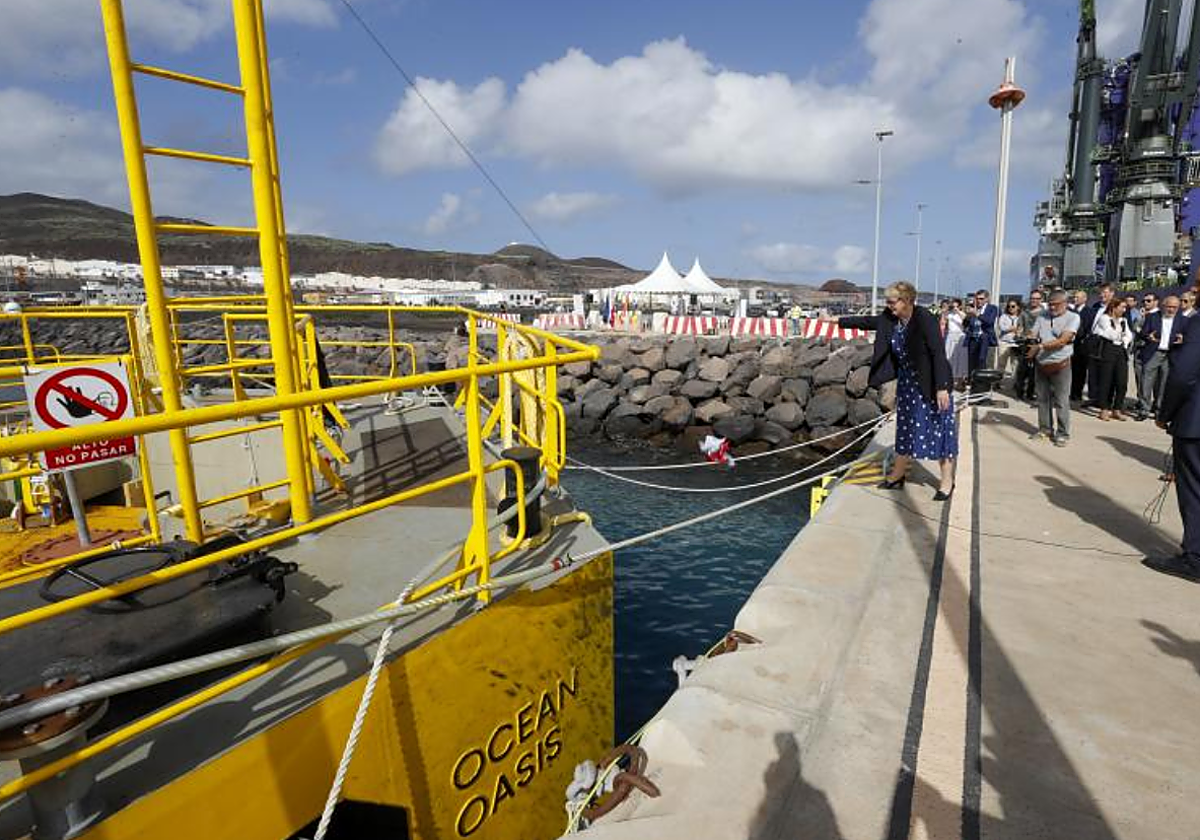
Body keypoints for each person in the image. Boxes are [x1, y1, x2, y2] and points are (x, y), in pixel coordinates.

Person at [839, 281, 956, 500]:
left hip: (931, 383)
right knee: (905, 429)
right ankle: (898, 474)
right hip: (908, 384)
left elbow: (938, 353)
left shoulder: (924, 319)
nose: (889, 306)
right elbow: (869, 321)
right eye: (888, 302)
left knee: (939, 431)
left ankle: (947, 481)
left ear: (908, 301)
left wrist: (942, 388)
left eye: (893, 302)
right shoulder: (891, 318)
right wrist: (839, 321)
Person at [1143, 313, 1200, 582]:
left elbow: (1183, 374)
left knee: (1194, 491)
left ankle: (1195, 558)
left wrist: (1165, 413)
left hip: (1195, 424)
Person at [1029, 289, 1080, 446]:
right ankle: (1045, 429)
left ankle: (1063, 433)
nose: (1051, 308)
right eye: (1050, 305)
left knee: (1061, 401)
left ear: (1065, 304)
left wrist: (1040, 346)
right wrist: (1028, 338)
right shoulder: (1042, 315)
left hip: (1061, 364)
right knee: (1043, 399)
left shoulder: (1073, 317)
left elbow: (1063, 340)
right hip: (1041, 364)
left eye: (1055, 305)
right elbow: (1033, 333)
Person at [1136, 295, 1184, 420]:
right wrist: (1148, 336)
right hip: (1154, 352)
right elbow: (1142, 333)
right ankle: (1144, 409)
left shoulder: (1183, 320)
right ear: (1163, 305)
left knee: (1164, 384)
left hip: (1170, 354)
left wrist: (1182, 340)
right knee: (1146, 381)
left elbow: (1188, 336)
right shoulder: (1152, 317)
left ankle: (1159, 410)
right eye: (1169, 306)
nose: (1171, 309)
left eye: (1174, 307)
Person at [1092, 297, 1134, 420]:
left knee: (1122, 382)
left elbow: (1129, 335)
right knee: (1106, 381)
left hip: (1121, 351)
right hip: (1107, 350)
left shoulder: (1123, 321)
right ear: (1114, 307)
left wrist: (1123, 339)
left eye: (1125, 307)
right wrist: (1121, 336)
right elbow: (1110, 334)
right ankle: (1104, 408)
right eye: (1122, 307)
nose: (1124, 309)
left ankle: (1117, 408)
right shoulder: (1104, 319)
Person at [1071, 282, 1114, 403]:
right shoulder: (1096, 307)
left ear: (1112, 293)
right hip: (1093, 343)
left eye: (1105, 292)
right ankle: (1094, 397)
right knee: (1093, 373)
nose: (1102, 295)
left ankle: (1106, 401)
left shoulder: (1116, 306)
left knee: (1106, 373)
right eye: (1100, 293)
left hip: (1108, 343)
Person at [1015, 289, 1044, 400]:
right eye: (1032, 298)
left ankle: (1031, 393)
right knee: (1022, 370)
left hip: (1039, 344)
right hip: (1025, 344)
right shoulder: (1024, 313)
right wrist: (1019, 334)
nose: (1034, 300)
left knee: (1036, 371)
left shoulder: (1045, 313)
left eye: (1037, 298)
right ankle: (1020, 392)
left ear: (1041, 300)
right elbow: (1019, 328)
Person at [996, 298, 1023, 387]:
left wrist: (1015, 330)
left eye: (1013, 306)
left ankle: (1016, 383)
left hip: (1016, 343)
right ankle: (998, 382)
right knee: (1001, 363)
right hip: (1004, 342)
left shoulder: (1021, 317)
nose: (1010, 308)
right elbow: (1002, 328)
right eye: (1009, 306)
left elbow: (1022, 328)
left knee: (1015, 364)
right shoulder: (1003, 316)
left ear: (1018, 307)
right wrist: (1013, 328)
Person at [943, 298, 968, 387]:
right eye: (953, 306)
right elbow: (943, 322)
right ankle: (951, 379)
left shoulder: (962, 314)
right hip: (950, 336)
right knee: (949, 358)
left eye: (956, 306)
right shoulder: (949, 315)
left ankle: (960, 380)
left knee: (961, 359)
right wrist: (946, 310)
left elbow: (965, 321)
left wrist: (958, 311)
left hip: (960, 336)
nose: (954, 307)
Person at [972, 289, 1000, 370]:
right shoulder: (973, 308)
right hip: (973, 339)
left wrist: (978, 315)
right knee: (972, 364)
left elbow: (989, 322)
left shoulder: (993, 308)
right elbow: (966, 324)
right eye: (977, 298)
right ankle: (973, 380)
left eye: (981, 299)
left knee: (983, 362)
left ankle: (984, 381)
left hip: (986, 339)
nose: (979, 301)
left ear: (987, 299)